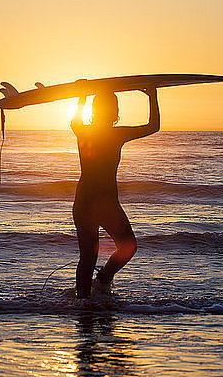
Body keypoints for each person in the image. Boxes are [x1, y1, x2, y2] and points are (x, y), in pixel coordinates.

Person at [71, 86, 160, 298]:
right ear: (114, 111)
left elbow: (74, 120)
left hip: (85, 201)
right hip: (105, 202)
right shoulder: (117, 134)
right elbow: (153, 126)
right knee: (127, 246)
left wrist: (81, 95)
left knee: (88, 256)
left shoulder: (83, 130)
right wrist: (152, 96)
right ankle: (100, 283)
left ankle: (84, 299)